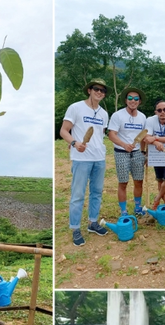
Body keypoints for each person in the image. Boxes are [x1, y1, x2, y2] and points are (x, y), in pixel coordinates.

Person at [61, 78, 110, 247]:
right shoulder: (75, 108)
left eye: (103, 91)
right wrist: (74, 143)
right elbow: (64, 130)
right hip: (81, 159)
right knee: (78, 195)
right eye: (96, 89)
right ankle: (75, 228)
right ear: (89, 90)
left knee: (96, 192)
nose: (99, 92)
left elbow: (100, 135)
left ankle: (93, 223)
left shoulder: (103, 113)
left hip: (99, 158)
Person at [108, 87, 147, 217]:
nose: (133, 101)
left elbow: (142, 136)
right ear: (125, 100)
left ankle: (137, 207)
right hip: (121, 152)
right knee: (123, 182)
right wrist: (124, 145)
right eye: (130, 98)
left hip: (136, 153)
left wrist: (143, 152)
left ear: (139, 102)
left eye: (136, 99)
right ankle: (124, 211)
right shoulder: (118, 115)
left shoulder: (142, 117)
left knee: (138, 181)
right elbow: (111, 134)